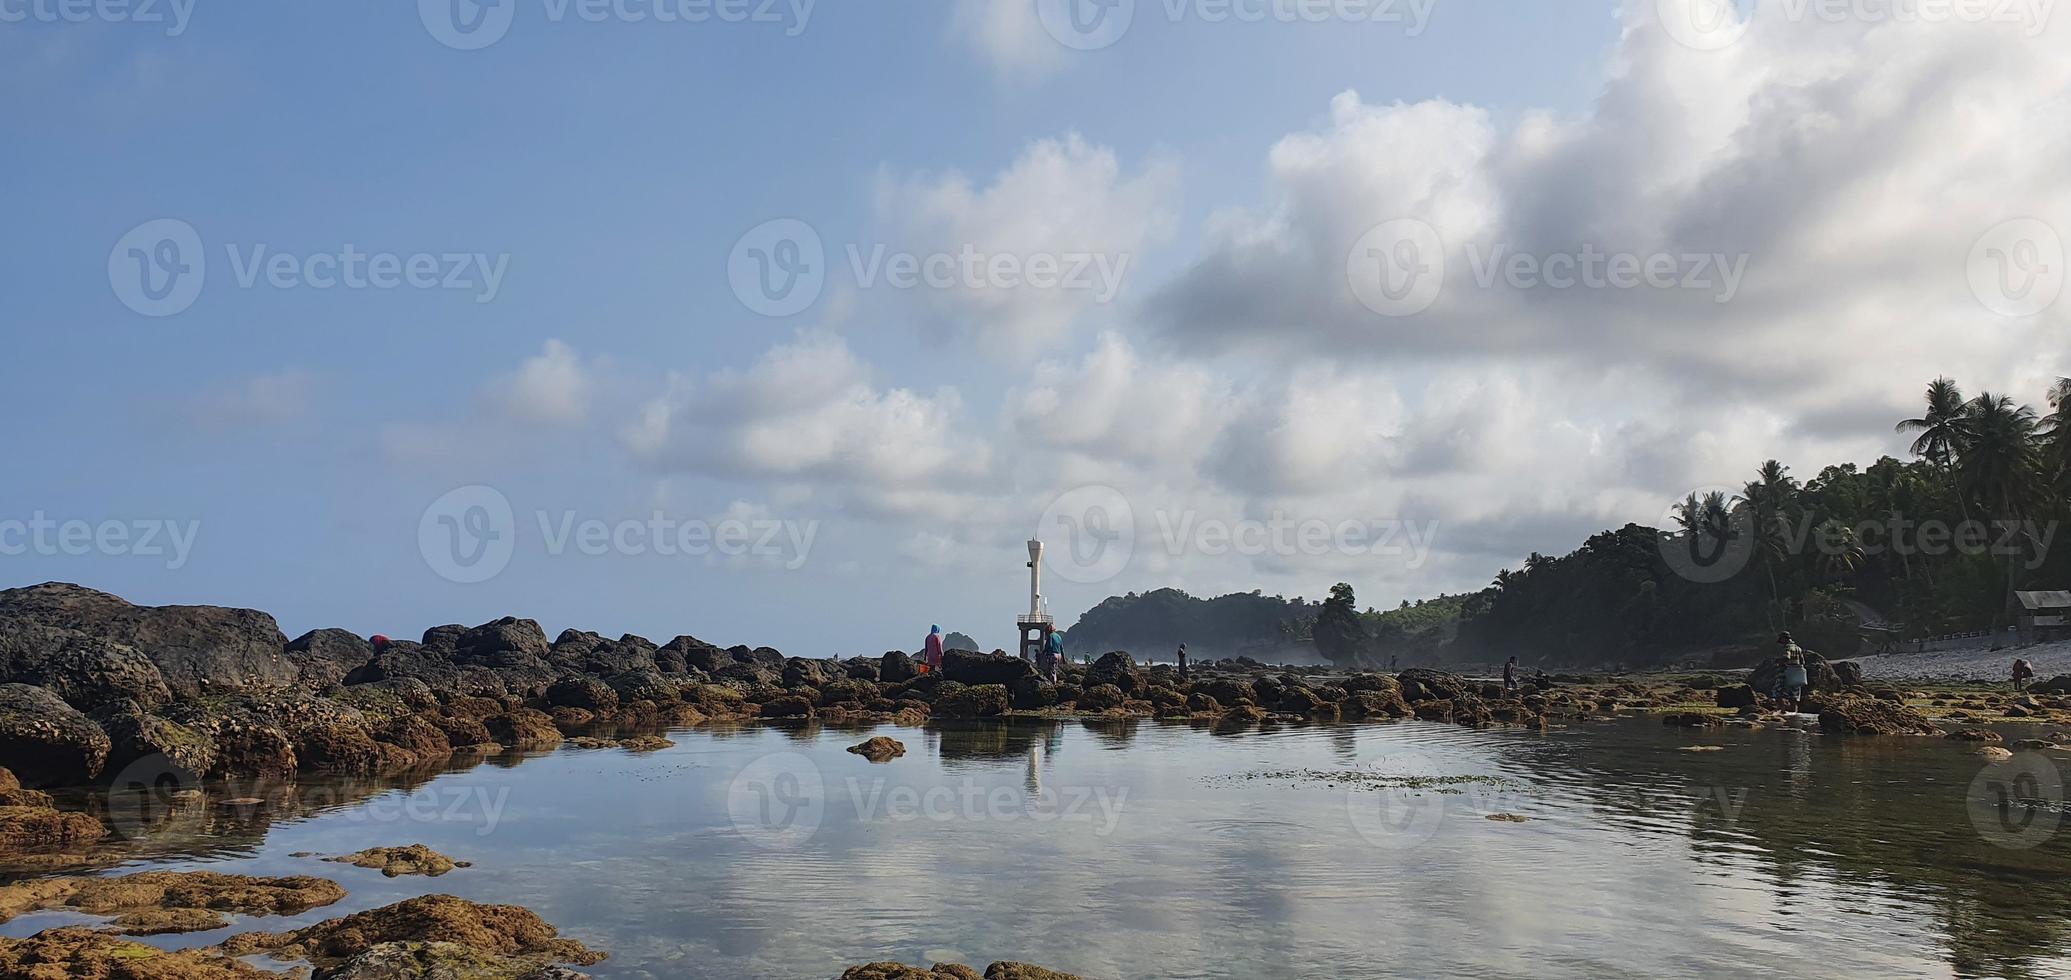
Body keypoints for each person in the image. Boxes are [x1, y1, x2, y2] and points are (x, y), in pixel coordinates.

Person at [1775, 632, 1809, 713]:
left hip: (1786, 673)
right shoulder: (1798, 648)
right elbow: (1802, 661)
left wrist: (1778, 661)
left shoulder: (1787, 647)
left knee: (1778, 692)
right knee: (1794, 696)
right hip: (1796, 674)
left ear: (1784, 639)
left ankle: (1781, 712)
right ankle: (1794, 714)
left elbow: (1786, 657)